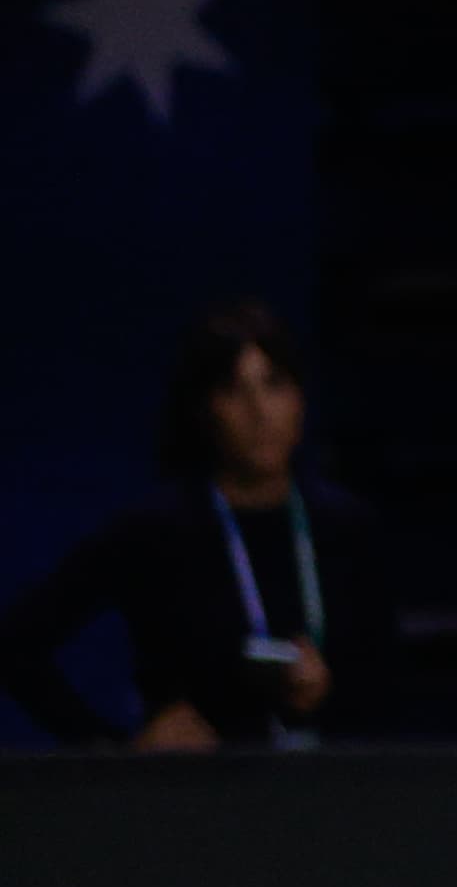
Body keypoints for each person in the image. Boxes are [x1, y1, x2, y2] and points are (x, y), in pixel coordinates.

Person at [2, 302, 398, 750]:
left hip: (328, 800)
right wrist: (115, 750)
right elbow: (17, 646)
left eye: (274, 385)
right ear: (203, 409)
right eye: (233, 389)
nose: (259, 412)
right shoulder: (155, 531)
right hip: (190, 803)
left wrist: (330, 689)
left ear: (300, 400)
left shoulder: (348, 528)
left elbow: (386, 682)